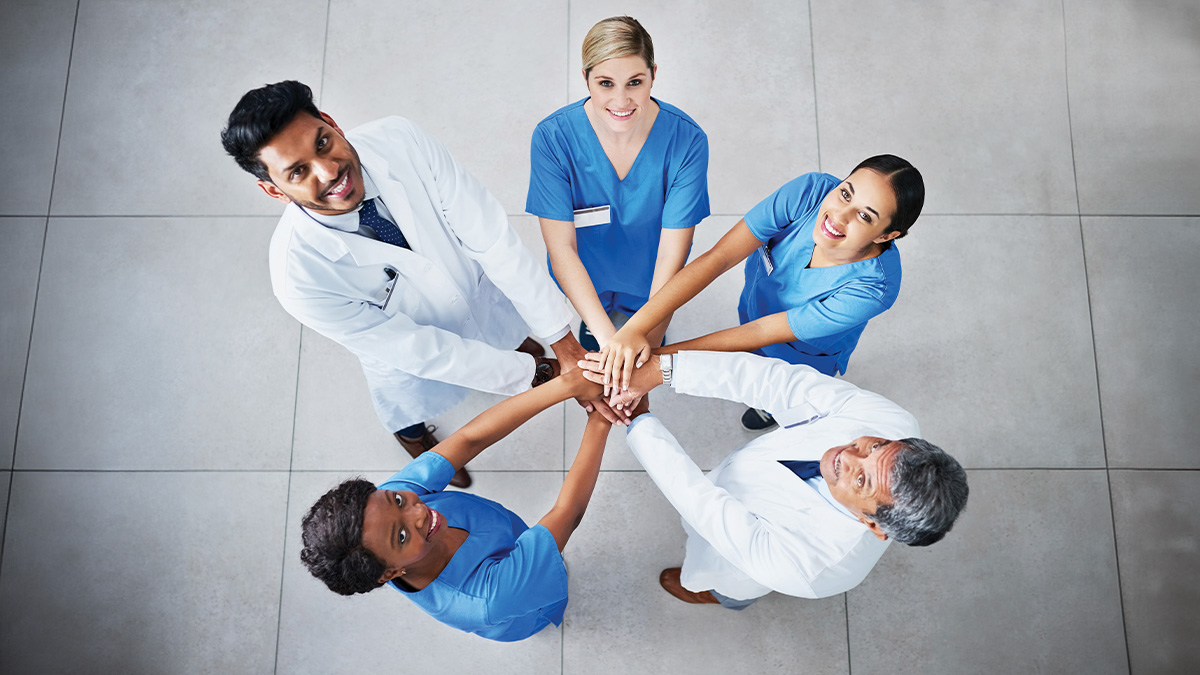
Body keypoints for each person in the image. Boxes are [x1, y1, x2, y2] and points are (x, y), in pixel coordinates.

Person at [221, 81, 608, 488]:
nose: (329, 171)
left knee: (504, 329)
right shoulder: (298, 277)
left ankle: (515, 345)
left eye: (323, 143)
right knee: (411, 404)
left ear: (332, 123)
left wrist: (563, 343)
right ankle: (414, 440)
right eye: (298, 172)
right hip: (412, 357)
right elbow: (418, 350)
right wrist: (543, 373)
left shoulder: (400, 140)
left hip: (475, 294)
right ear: (274, 190)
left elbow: (492, 241)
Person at [578, 349, 967, 608]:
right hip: (738, 477)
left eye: (862, 480)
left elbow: (701, 503)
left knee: (728, 582)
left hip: (745, 565)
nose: (846, 454)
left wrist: (640, 421)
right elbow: (776, 383)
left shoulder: (809, 568)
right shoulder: (892, 421)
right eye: (875, 445)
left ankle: (717, 596)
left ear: (873, 525)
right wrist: (664, 371)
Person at [596, 156, 924, 431]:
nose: (839, 215)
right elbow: (719, 258)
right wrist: (634, 329)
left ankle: (770, 409)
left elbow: (761, 332)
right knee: (749, 351)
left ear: (886, 235)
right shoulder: (809, 193)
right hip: (756, 307)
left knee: (780, 389)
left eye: (865, 216)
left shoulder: (873, 289)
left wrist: (654, 362)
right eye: (845, 193)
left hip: (804, 352)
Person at [299, 365, 611, 641]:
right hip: (524, 608)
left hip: (512, 543)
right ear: (389, 573)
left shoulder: (385, 511)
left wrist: (567, 385)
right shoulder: (491, 599)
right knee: (551, 572)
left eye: (398, 499)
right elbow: (567, 513)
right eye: (402, 536)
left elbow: (468, 440)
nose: (418, 512)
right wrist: (601, 418)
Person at [526, 16, 709, 353]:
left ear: (653, 74)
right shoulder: (553, 139)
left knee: (643, 329)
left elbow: (672, 253)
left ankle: (640, 318)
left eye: (635, 82)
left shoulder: (687, 141)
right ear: (586, 78)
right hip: (586, 273)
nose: (621, 101)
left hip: (651, 275)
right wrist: (608, 341)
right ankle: (598, 321)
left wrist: (648, 340)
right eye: (606, 83)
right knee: (598, 328)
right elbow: (562, 248)